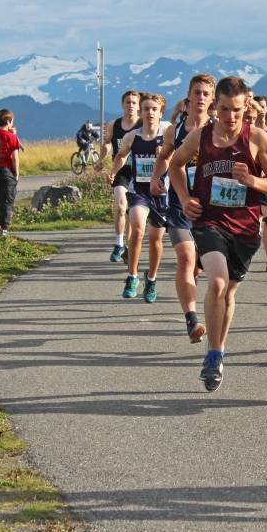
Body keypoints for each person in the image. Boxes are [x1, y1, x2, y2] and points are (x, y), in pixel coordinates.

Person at [168, 76, 267, 392]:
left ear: (247, 106)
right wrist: (185, 198)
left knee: (228, 293)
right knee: (216, 281)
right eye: (223, 110)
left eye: (236, 110)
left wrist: (254, 183)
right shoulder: (200, 137)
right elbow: (175, 165)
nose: (230, 117)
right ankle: (214, 354)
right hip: (208, 222)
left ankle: (218, 349)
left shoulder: (258, 139)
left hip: (246, 229)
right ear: (214, 107)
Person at [151, 74, 215, 342]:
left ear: (212, 99)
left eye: (205, 93)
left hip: (211, 207)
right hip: (179, 204)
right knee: (186, 257)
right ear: (188, 96)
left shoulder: (218, 129)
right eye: (196, 92)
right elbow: (165, 156)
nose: (200, 97)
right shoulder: (174, 131)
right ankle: (191, 318)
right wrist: (156, 177)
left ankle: (194, 293)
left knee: (199, 266)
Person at [109, 93, 169, 303]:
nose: (150, 113)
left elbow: (181, 156)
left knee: (156, 239)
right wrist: (114, 172)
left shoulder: (168, 132)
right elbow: (121, 155)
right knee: (136, 229)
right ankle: (132, 276)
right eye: (146, 109)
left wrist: (166, 155)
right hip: (139, 191)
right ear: (141, 113)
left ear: (161, 112)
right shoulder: (132, 136)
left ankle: (151, 279)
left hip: (161, 193)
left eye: (154, 109)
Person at [100, 91, 142, 263]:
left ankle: (130, 246)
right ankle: (119, 243)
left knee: (133, 212)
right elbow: (108, 142)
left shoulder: (143, 123)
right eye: (127, 102)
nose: (130, 105)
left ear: (139, 105)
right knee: (120, 205)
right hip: (121, 170)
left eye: (133, 102)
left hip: (140, 171)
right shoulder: (114, 124)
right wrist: (101, 159)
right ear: (122, 104)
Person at [0, 109, 23, 236]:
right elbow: (15, 157)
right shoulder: (12, 137)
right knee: (7, 200)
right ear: (9, 121)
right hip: (7, 169)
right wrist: (16, 173)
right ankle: (4, 227)